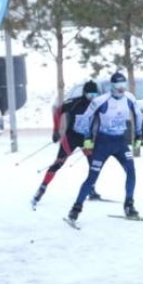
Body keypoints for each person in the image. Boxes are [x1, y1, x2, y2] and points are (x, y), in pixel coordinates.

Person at [65, 71, 143, 226]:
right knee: (92, 177)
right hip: (103, 143)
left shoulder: (129, 98)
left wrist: (138, 135)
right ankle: (75, 209)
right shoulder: (101, 100)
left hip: (120, 142)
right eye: (118, 85)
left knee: (131, 170)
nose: (121, 88)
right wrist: (87, 138)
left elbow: (138, 115)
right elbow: (86, 117)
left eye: (124, 84)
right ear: (112, 86)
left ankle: (129, 205)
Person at [32, 80, 104, 208]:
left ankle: (91, 189)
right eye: (90, 94)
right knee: (59, 163)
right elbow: (58, 112)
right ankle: (41, 189)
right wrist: (56, 131)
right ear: (84, 93)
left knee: (94, 164)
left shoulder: (97, 105)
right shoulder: (74, 103)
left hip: (86, 139)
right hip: (71, 137)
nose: (92, 97)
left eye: (95, 94)